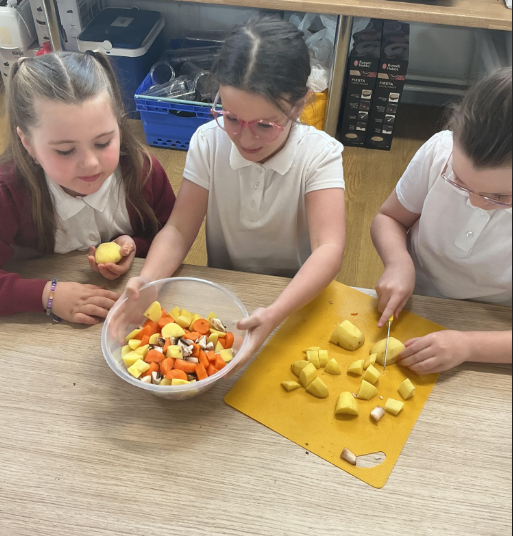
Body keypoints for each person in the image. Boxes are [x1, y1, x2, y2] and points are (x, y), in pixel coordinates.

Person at [126, 17, 346, 367]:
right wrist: (149, 281)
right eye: (230, 118)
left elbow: (329, 249)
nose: (244, 138)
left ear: (300, 104)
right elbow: (179, 230)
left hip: (296, 299)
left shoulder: (320, 155)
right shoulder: (208, 142)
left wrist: (275, 312)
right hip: (228, 292)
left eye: (265, 125)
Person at [0, 52, 176, 324]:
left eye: (103, 143)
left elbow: (171, 234)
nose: (91, 163)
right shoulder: (9, 192)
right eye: (65, 150)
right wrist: (46, 295)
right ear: (27, 142)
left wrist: (135, 245)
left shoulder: (144, 172)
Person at [371, 68, 512, 374]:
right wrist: (398, 263)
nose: (475, 201)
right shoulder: (440, 152)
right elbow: (389, 218)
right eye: (459, 180)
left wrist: (469, 346)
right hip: (415, 300)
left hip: (493, 326)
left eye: (500, 196)